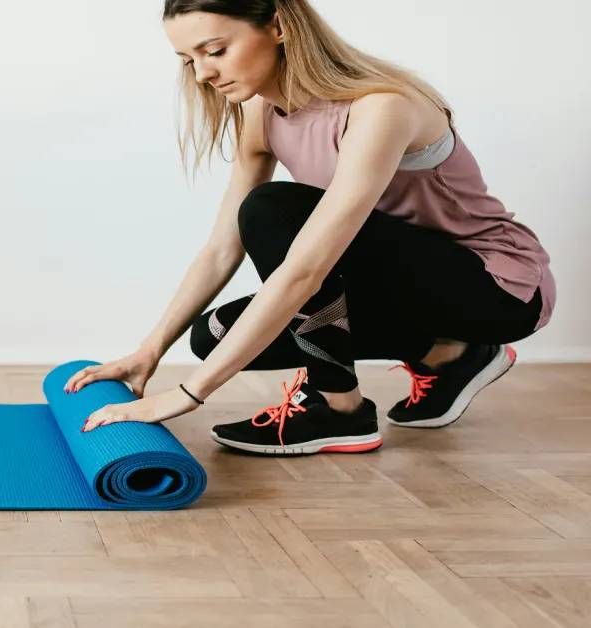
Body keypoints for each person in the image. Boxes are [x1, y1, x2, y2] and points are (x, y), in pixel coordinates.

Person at [64, 0, 556, 455]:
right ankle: (449, 354)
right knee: (213, 335)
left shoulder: (381, 107)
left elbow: (306, 268)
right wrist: (149, 351)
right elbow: (221, 250)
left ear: (278, 25)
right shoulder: (260, 112)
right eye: (188, 60)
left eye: (215, 50)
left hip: (496, 289)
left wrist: (188, 395)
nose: (203, 73)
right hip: (406, 288)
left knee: (273, 207)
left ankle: (340, 410)